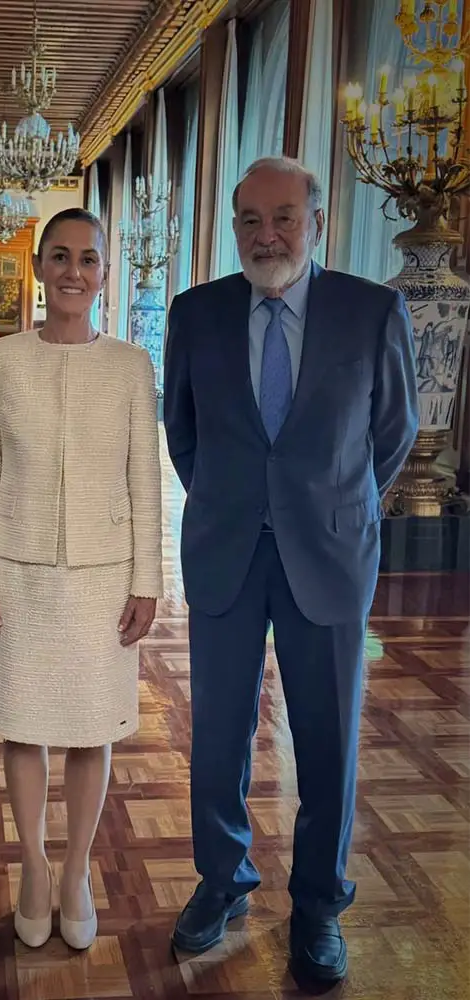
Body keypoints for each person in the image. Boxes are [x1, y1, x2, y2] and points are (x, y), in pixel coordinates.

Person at [163, 156, 418, 989]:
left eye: (283, 218)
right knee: (217, 740)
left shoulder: (372, 309)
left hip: (330, 553)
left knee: (329, 740)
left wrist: (331, 500)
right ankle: (223, 881)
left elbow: (395, 431)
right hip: (227, 550)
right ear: (233, 224)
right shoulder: (195, 313)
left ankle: (317, 905)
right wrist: (241, 499)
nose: (266, 235)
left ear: (318, 220)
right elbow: (185, 432)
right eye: (249, 220)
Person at [0, 208, 163, 951]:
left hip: (104, 579)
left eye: (89, 258)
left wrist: (148, 581)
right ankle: (34, 868)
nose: (74, 270)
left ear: (105, 272)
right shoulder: (4, 359)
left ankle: (76, 869)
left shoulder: (133, 365)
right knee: (23, 724)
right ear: (40, 268)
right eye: (61, 256)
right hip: (18, 572)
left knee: (90, 728)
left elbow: (146, 479)